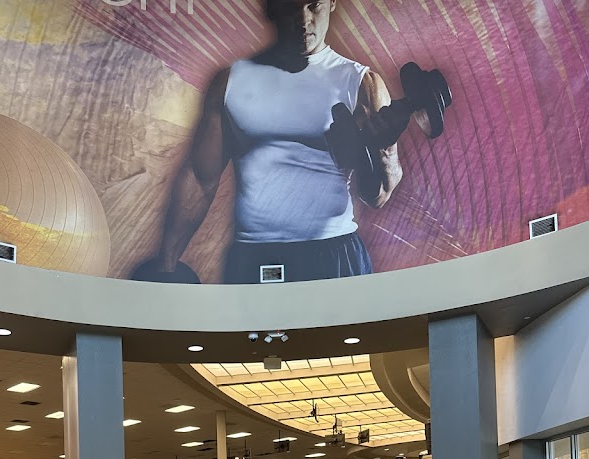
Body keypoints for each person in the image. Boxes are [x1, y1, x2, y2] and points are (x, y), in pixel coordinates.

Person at [149, 0, 402, 284]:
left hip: (333, 253)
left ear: (332, 2)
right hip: (254, 255)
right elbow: (200, 179)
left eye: (314, 5)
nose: (303, 19)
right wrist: (166, 265)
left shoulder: (361, 84)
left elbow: (378, 195)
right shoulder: (231, 82)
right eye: (291, 6)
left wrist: (386, 152)